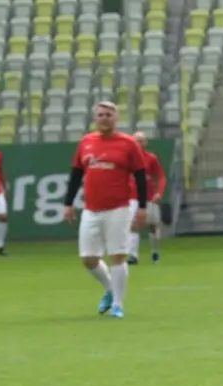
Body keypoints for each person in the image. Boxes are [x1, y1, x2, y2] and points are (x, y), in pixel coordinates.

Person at [62, 101, 149, 319]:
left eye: (109, 114)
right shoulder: (86, 142)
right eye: (100, 114)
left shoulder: (128, 144)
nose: (104, 118)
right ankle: (111, 288)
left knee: (117, 255)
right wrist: (68, 203)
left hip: (118, 208)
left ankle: (118, 304)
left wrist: (142, 207)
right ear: (95, 118)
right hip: (91, 209)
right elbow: (76, 174)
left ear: (116, 119)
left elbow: (140, 177)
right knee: (88, 258)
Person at [128, 131, 167, 264]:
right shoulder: (127, 159)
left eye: (141, 140)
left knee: (153, 226)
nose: (138, 143)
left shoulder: (151, 158)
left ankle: (155, 251)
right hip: (132, 197)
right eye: (135, 141)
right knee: (133, 225)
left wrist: (159, 192)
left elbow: (161, 177)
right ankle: (133, 256)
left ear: (145, 142)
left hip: (149, 197)